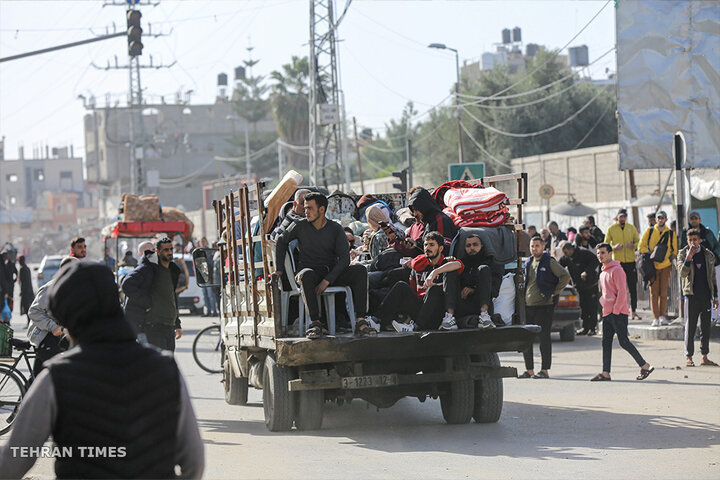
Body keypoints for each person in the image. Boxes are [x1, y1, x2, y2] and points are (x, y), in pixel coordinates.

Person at [0, 262, 204, 479]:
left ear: (69, 317)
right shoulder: (166, 369)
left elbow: (12, 464)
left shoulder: (56, 378)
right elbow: (194, 463)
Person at [274, 192, 372, 338]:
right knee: (305, 275)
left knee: (360, 270)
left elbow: (345, 259)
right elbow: (281, 241)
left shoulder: (335, 229)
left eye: (310, 208)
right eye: (305, 208)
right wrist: (280, 270)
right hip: (310, 273)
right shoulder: (299, 225)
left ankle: (361, 321)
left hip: (329, 273)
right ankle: (315, 323)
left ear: (321, 209)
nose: (306, 211)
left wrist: (327, 281)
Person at [374, 231, 464, 332]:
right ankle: (378, 321)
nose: (427, 248)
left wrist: (435, 272)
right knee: (401, 286)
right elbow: (413, 291)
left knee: (433, 289)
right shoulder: (419, 265)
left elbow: (458, 264)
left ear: (441, 248)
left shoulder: (446, 263)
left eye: (432, 245)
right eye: (426, 245)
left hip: (439, 313)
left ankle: (416, 326)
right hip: (421, 309)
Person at [591, 243, 654, 381]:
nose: (600, 256)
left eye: (603, 252)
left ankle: (644, 365)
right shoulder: (603, 273)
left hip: (618, 313)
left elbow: (622, 292)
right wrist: (604, 308)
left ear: (610, 253)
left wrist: (616, 310)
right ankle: (605, 373)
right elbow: (605, 293)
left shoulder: (617, 270)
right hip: (607, 313)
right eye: (598, 253)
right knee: (606, 342)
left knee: (623, 341)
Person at [519, 236, 570, 379]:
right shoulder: (529, 262)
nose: (534, 248)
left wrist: (554, 292)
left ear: (543, 247)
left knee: (544, 338)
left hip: (544, 306)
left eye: (537, 245)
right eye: (532, 246)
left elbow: (564, 276)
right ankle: (529, 370)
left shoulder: (549, 261)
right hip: (528, 306)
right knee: (526, 339)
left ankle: (545, 370)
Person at [121, 237, 184, 351]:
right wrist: (146, 303)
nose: (169, 252)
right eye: (166, 250)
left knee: (167, 363)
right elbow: (127, 284)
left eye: (171, 249)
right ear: (157, 252)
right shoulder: (148, 268)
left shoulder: (170, 269)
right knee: (159, 365)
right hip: (154, 326)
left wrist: (177, 324)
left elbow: (171, 298)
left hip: (168, 326)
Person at [26, 256, 78, 374]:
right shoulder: (51, 288)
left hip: (58, 337)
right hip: (44, 337)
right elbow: (33, 312)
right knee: (57, 372)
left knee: (38, 376)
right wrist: (53, 327)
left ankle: (30, 390)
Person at [678, 228, 719, 367]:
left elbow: (712, 277)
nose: (693, 243)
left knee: (706, 327)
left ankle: (704, 356)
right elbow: (682, 273)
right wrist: (688, 258)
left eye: (695, 240)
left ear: (700, 240)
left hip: (706, 295)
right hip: (691, 295)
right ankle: (688, 357)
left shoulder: (708, 255)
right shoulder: (682, 253)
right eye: (690, 240)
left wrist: (716, 297)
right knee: (690, 327)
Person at [386, 188, 457, 257]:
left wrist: (415, 262)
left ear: (425, 207)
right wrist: (415, 245)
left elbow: (441, 252)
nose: (415, 214)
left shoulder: (440, 220)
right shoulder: (428, 222)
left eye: (417, 210)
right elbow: (428, 249)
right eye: (413, 210)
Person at [639, 210, 678, 326]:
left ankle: (662, 316)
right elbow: (641, 246)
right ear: (656, 219)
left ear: (666, 219)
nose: (661, 220)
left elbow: (674, 250)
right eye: (659, 218)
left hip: (666, 266)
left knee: (664, 292)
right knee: (654, 293)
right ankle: (655, 317)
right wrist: (650, 254)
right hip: (653, 267)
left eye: (663, 218)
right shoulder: (649, 231)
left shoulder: (670, 233)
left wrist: (672, 259)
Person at [456, 234, 503, 327]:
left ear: (482, 246)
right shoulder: (462, 264)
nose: (471, 248)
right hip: (463, 304)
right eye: (468, 246)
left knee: (483, 269)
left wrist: (473, 290)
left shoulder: (492, 264)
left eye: (475, 244)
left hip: (481, 304)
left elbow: (494, 291)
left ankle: (484, 315)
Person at [604, 209, 641, 320]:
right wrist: (613, 248)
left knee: (632, 286)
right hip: (617, 263)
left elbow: (638, 241)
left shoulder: (631, 228)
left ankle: (633, 311)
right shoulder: (611, 229)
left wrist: (633, 245)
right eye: (621, 217)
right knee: (618, 288)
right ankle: (617, 310)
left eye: (624, 216)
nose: (622, 219)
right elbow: (606, 244)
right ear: (617, 217)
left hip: (630, 261)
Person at [559, 241, 600, 335]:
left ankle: (593, 328)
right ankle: (585, 328)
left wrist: (587, 272)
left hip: (590, 284)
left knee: (592, 307)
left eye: (566, 252)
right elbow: (559, 266)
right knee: (584, 308)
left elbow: (595, 261)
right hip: (579, 287)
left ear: (571, 249)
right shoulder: (566, 258)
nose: (565, 255)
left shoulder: (583, 253)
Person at [17, 255, 35, 326]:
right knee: (28, 307)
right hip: (29, 292)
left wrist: (22, 292)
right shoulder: (27, 268)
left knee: (27, 308)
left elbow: (23, 282)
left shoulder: (22, 269)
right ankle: (29, 322)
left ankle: (29, 323)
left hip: (25, 292)